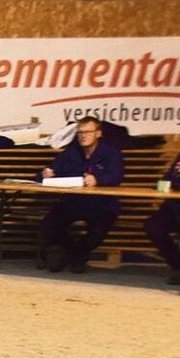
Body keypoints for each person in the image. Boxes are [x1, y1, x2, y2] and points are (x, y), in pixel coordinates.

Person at [37, 117, 124, 273]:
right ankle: (77, 255)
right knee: (49, 224)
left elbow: (117, 176)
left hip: (102, 203)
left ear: (98, 133)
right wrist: (46, 173)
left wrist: (98, 180)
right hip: (74, 201)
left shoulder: (111, 153)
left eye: (88, 132)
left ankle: (74, 257)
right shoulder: (71, 152)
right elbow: (50, 170)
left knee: (99, 229)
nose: (83, 136)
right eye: (80, 132)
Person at [144, 149, 180, 285]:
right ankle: (179, 265)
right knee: (153, 226)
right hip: (176, 207)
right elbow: (167, 180)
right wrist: (179, 172)